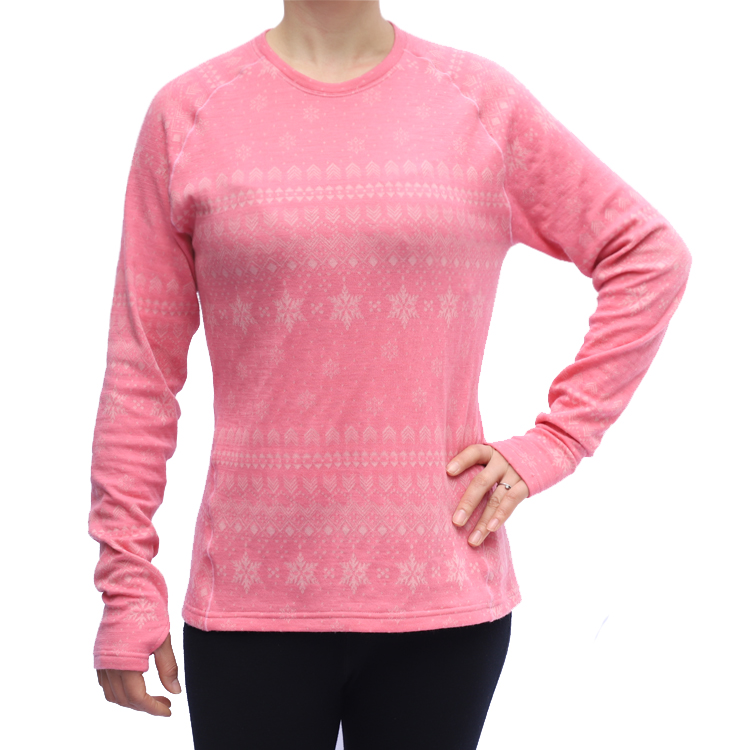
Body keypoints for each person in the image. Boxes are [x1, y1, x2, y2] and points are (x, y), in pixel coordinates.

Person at [90, 1, 692, 748]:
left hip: (441, 600)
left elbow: (649, 255)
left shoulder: (480, 103)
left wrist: (557, 440)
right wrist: (126, 583)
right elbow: (141, 371)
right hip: (251, 602)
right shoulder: (188, 115)